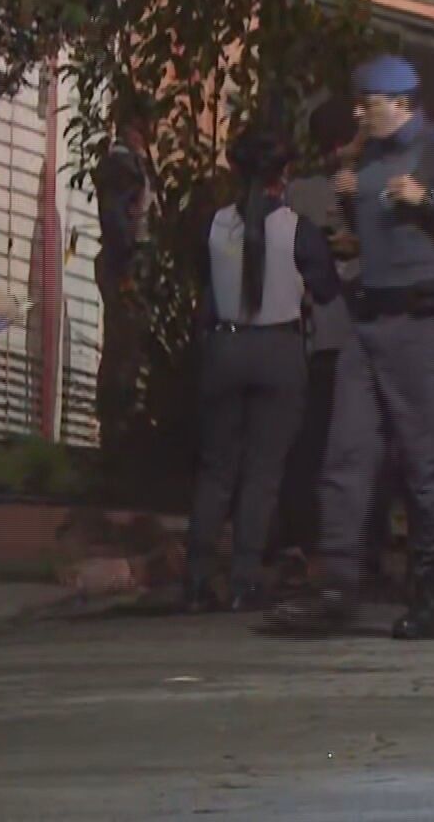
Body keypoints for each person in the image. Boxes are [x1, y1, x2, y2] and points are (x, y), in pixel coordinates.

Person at [267, 54, 434, 641]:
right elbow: (378, 228)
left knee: (426, 463)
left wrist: (428, 201)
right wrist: (355, 200)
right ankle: (338, 584)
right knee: (346, 455)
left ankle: (429, 591)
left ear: (400, 104)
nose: (358, 112)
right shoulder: (371, 154)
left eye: (367, 103)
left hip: (425, 325)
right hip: (369, 320)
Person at [185, 126, 341, 613]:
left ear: (235, 170)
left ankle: (195, 577)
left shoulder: (213, 225)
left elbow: (204, 281)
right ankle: (245, 577)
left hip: (225, 347)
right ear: (285, 174)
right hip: (278, 349)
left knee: (216, 470)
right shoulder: (298, 229)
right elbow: (328, 288)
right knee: (263, 471)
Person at [279, 98, 361, 582]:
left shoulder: (299, 191)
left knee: (314, 444)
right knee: (330, 444)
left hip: (322, 333)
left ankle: (306, 541)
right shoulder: (321, 193)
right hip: (336, 331)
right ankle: (323, 543)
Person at [93, 109, 155, 459]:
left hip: (125, 262)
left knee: (125, 343)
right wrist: (127, 264)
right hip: (123, 264)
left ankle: (118, 422)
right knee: (123, 343)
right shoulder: (121, 166)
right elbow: (116, 219)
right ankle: (115, 426)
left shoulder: (128, 165)